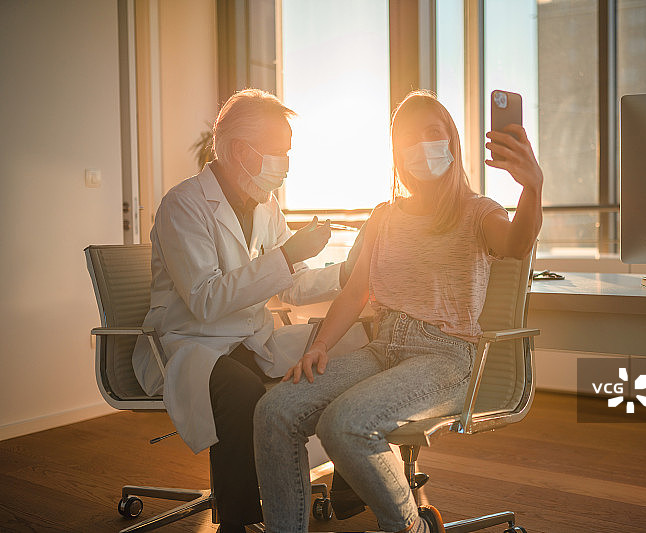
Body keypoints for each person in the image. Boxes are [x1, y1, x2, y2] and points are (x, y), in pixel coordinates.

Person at [253, 91, 543, 533]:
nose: (423, 145)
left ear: (452, 141)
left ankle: (411, 527)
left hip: (446, 358)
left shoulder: (477, 211)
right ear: (397, 153)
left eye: (434, 132)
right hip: (384, 348)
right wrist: (320, 345)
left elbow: (517, 245)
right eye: (410, 137)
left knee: (344, 425)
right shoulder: (384, 217)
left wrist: (531, 187)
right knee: (274, 411)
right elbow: (356, 291)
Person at [131, 89, 362, 532]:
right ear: (240, 151)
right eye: (279, 152)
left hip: (251, 339)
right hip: (192, 346)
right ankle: (239, 521)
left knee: (353, 346)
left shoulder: (265, 205)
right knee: (242, 393)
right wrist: (287, 256)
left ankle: (350, 483)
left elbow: (291, 284)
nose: (286, 165)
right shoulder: (183, 205)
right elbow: (205, 299)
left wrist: (348, 272)